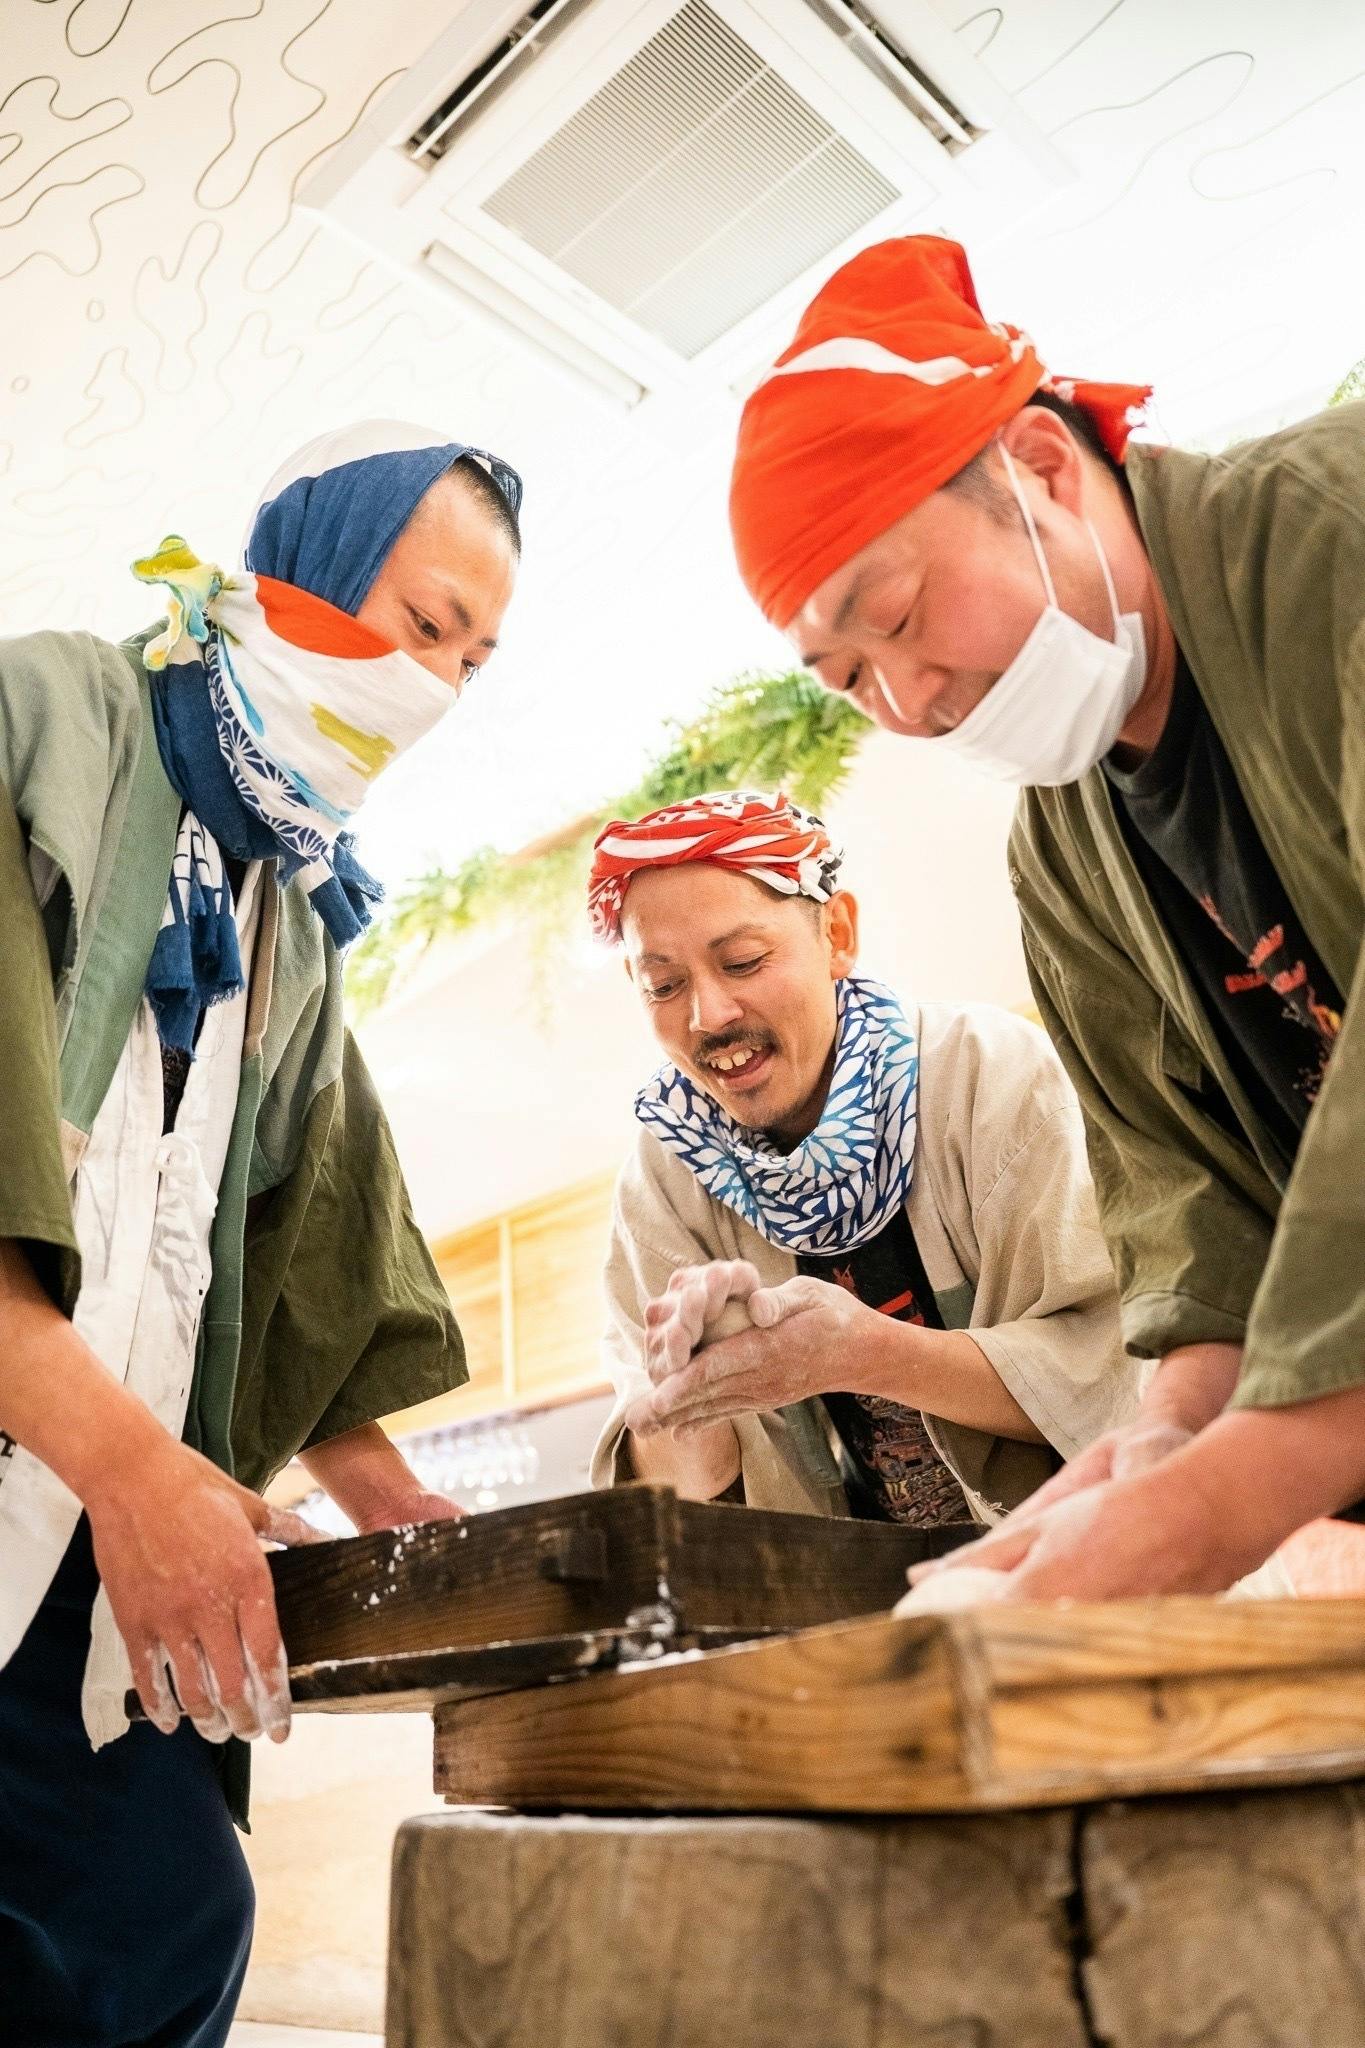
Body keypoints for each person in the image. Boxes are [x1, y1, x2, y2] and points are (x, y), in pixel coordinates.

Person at [725, 231, 1365, 1601]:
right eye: (849, 680)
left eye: (897, 615)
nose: (909, 703)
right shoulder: (1066, 856)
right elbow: (1193, 1215)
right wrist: (1162, 1443)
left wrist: (1224, 1502)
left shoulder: (1334, 531)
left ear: (1040, 467)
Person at [0, 419, 522, 2046]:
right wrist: (137, 1474)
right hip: (79, 1465)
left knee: (173, 1907)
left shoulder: (288, 909)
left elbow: (304, 1255)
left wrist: (400, 1514)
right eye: (423, 623)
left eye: (471, 662)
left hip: (75, 1533)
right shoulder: (45, 718)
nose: (435, 687)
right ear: (302, 567)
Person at [586, 789, 1140, 1525]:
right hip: (864, 1595)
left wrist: (861, 1354)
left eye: (743, 962)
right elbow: (678, 1498)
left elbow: (1115, 1374)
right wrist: (692, 1388)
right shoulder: (664, 1179)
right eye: (663, 985)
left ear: (837, 934)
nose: (707, 1015)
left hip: (1095, 1557)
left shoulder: (984, 1073)